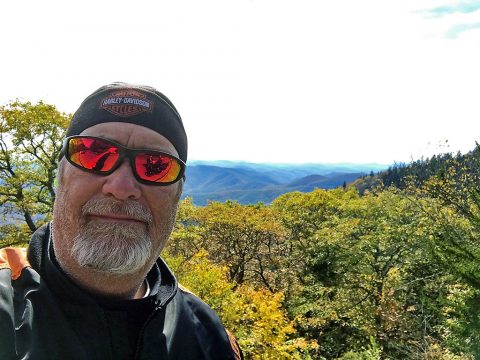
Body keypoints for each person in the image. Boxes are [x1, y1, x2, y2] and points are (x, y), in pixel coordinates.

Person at [0, 83, 243, 360]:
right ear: (61, 173)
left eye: (156, 165)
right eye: (94, 153)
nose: (121, 186)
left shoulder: (209, 337)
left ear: (178, 192)